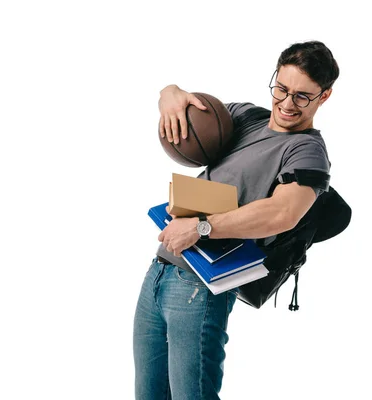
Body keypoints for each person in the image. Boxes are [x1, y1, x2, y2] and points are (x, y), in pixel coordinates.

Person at [133, 41, 340, 399]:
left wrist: (200, 227)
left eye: (303, 97)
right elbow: (178, 99)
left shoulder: (307, 151)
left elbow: (282, 213)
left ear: (324, 97)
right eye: (282, 89)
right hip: (161, 270)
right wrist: (168, 94)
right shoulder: (247, 117)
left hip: (200, 288)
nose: (287, 104)